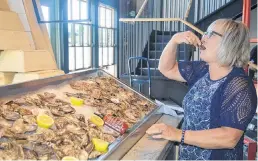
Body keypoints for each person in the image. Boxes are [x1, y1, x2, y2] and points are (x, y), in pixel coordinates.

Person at [146, 19, 257, 160]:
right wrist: (174, 40)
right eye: (205, 33)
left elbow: (229, 137)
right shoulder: (202, 69)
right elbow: (166, 68)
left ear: (230, 43)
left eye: (210, 34)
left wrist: (177, 134)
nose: (202, 38)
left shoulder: (239, 85)